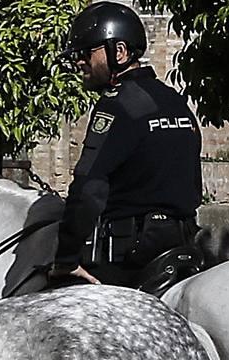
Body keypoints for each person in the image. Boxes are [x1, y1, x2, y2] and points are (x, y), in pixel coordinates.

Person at [50, 2, 203, 289]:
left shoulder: (117, 106)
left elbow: (89, 188)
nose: (80, 62)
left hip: (132, 258)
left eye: (87, 53)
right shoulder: (175, 101)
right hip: (184, 245)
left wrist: (67, 259)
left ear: (119, 52)